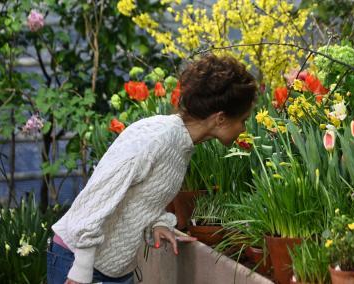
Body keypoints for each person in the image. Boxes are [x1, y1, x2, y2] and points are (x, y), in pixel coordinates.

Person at [47, 53, 257, 284]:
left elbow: (138, 195)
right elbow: (98, 196)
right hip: (80, 263)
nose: (243, 128)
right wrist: (81, 271)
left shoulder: (181, 144)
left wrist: (157, 223)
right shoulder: (156, 139)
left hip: (115, 268)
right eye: (243, 120)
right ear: (220, 119)